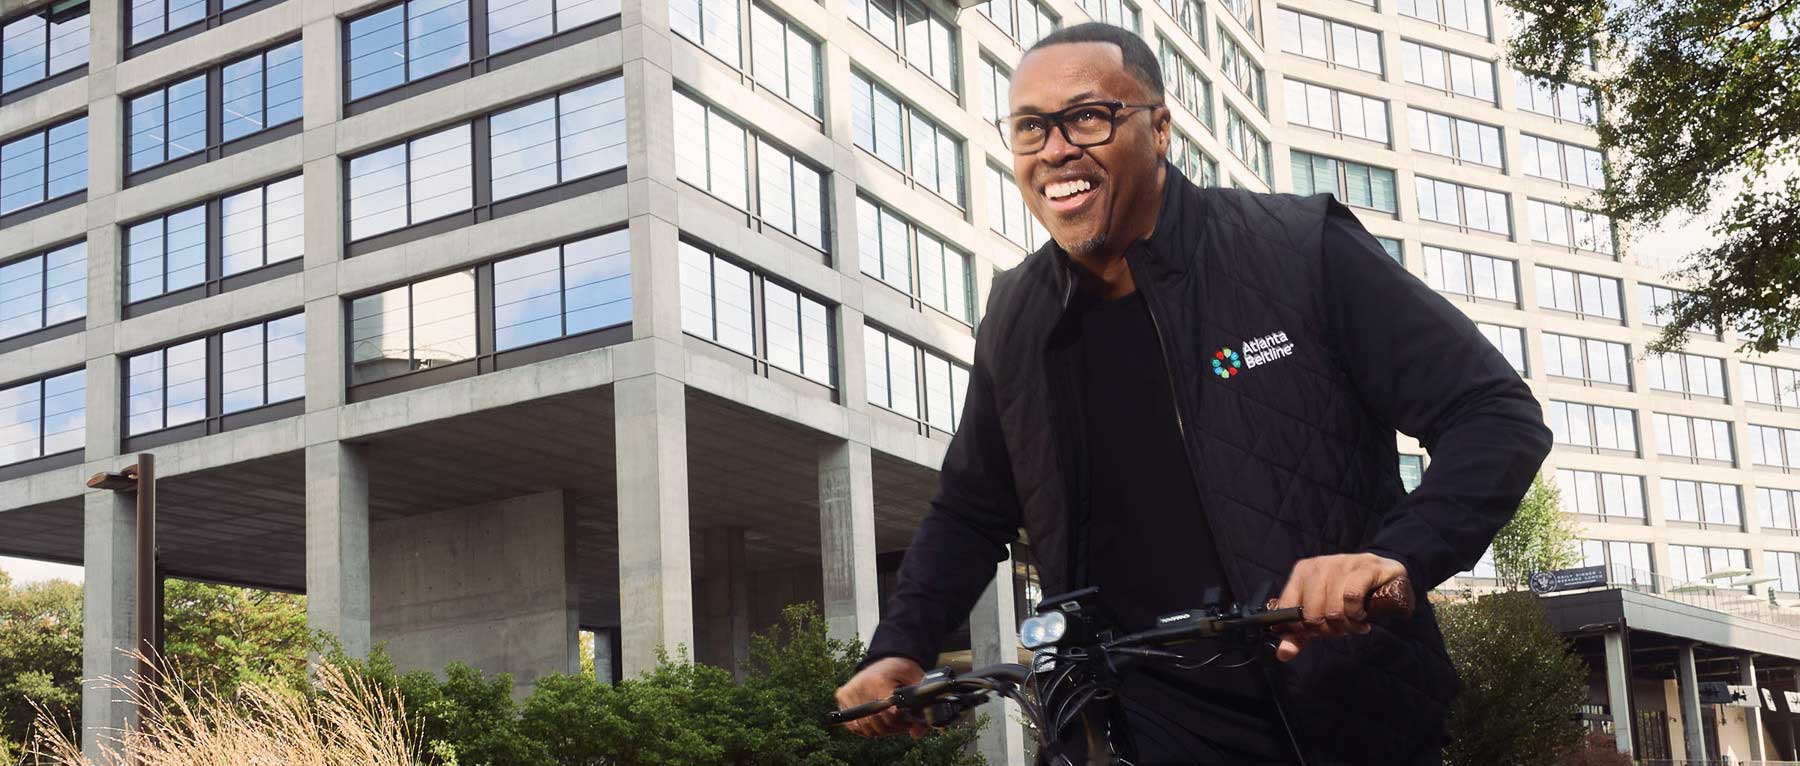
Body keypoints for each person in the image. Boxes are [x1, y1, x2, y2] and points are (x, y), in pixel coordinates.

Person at [832, 21, 1552, 766]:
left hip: (1336, 717)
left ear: (1162, 128)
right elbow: (971, 509)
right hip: (1115, 727)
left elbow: (1494, 415)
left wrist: (1393, 558)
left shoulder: (1298, 249)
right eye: (1029, 129)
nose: (1055, 150)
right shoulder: (1017, 316)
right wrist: (901, 648)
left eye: (1088, 117)